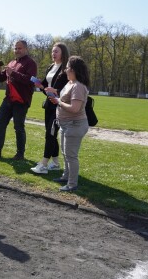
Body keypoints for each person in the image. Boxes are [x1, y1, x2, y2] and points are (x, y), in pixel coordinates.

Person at [0, 40, 37, 160]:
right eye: (15, 48)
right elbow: (2, 78)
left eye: (20, 48)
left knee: (18, 127)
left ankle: (20, 154)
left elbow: (30, 80)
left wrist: (14, 73)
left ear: (26, 49)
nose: (17, 50)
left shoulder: (31, 63)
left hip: (21, 100)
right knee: (0, 123)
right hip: (8, 99)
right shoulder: (12, 62)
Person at [49, 56, 90, 192]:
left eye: (67, 67)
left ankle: (72, 184)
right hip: (65, 124)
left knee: (71, 155)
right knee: (65, 153)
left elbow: (74, 108)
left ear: (73, 70)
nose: (65, 70)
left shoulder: (78, 86)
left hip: (75, 125)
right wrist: (56, 95)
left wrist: (58, 101)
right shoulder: (70, 83)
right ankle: (66, 176)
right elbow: (66, 98)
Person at [30, 42, 70, 174]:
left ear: (63, 53)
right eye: (52, 51)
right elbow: (45, 86)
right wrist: (39, 85)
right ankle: (56, 163)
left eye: (56, 51)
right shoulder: (51, 67)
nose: (53, 54)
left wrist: (56, 91)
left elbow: (68, 89)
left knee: (50, 134)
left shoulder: (66, 70)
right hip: (49, 104)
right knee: (51, 133)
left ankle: (44, 164)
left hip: (59, 106)